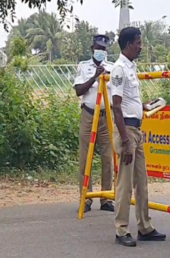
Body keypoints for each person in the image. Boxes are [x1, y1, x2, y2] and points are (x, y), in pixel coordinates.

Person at [110, 27, 166, 247]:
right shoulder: (119, 70)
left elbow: (127, 101)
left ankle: (145, 226)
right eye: (138, 43)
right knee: (125, 183)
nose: (141, 46)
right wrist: (125, 140)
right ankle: (121, 229)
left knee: (141, 181)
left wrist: (143, 106)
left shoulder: (131, 68)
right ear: (127, 44)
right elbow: (116, 106)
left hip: (136, 130)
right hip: (127, 132)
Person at [74, 34, 115, 213]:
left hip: (106, 116)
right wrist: (95, 78)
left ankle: (106, 198)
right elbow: (78, 90)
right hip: (89, 114)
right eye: (98, 48)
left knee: (107, 157)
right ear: (92, 49)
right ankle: (86, 197)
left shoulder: (113, 68)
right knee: (86, 157)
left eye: (104, 49)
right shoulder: (84, 67)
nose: (101, 52)